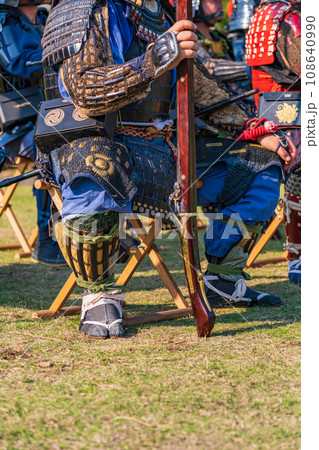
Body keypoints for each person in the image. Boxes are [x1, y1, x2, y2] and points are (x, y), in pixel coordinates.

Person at [38, 0, 296, 339]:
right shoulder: (83, 7)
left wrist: (253, 128)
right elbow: (85, 91)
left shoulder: (163, 13)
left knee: (259, 166)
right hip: (97, 140)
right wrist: (157, 57)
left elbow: (200, 89)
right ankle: (98, 295)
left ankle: (224, 278)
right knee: (94, 166)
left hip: (164, 148)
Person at [0, 0, 66, 265]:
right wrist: (67, 52)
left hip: (50, 117)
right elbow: (20, 64)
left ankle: (103, 233)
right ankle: (47, 237)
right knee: (53, 149)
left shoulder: (43, 15)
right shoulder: (4, 21)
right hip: (14, 129)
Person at [246, 0, 301, 284]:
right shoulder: (291, 18)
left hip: (277, 117)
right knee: (301, 182)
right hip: (291, 122)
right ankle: (300, 258)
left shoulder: (266, 13)